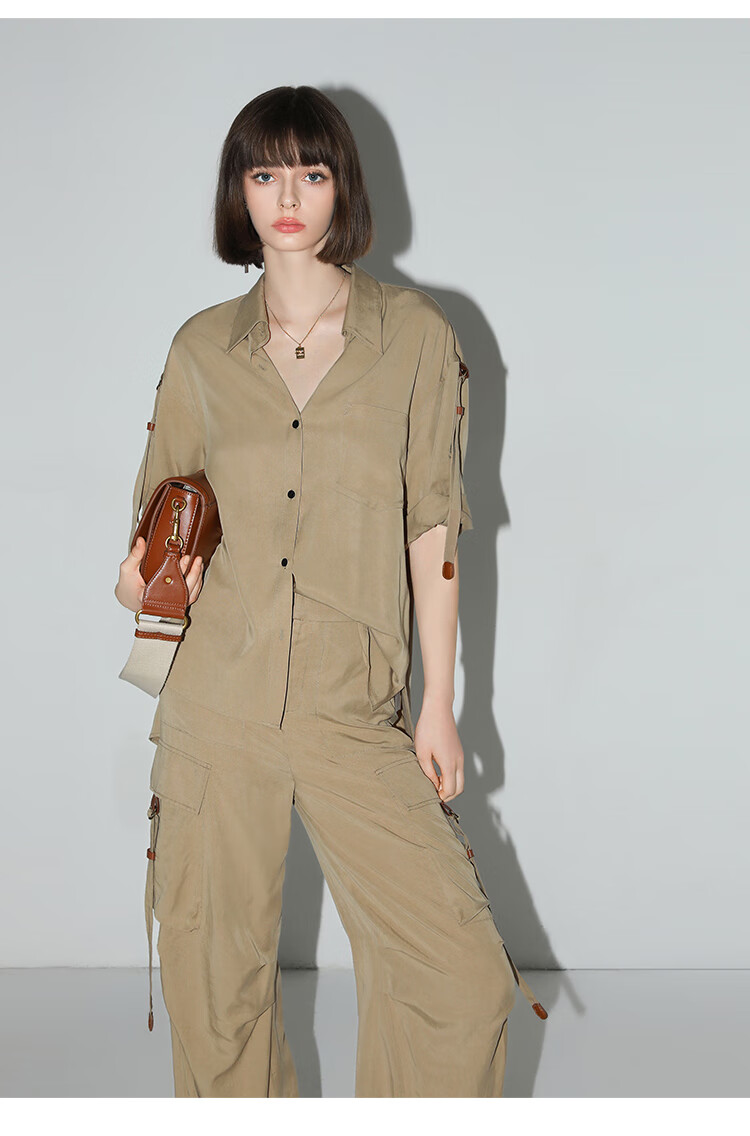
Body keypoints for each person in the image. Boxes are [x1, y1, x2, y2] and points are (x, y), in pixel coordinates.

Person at [115, 84, 547, 1099]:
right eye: (264, 173)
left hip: (353, 707)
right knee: (215, 992)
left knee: (457, 978)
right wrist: (143, 576)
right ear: (238, 192)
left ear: (341, 185)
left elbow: (434, 529)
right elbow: (143, 550)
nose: (287, 197)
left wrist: (440, 703)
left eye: (310, 172)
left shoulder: (417, 336)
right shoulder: (200, 351)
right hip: (217, 708)